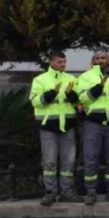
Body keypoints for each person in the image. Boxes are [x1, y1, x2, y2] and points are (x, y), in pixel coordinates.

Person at [77, 48, 109, 204]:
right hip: (93, 122)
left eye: (103, 58)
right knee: (91, 157)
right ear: (93, 60)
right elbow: (81, 98)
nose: (100, 61)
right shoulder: (86, 76)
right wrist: (97, 88)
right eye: (97, 58)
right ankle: (91, 192)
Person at [30, 51, 82, 206]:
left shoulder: (71, 79)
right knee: (49, 162)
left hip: (67, 125)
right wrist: (52, 93)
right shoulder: (40, 80)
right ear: (51, 62)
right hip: (48, 126)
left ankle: (67, 192)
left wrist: (71, 95)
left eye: (64, 62)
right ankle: (50, 193)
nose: (63, 65)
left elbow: (79, 103)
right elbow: (35, 101)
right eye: (59, 62)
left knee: (68, 162)